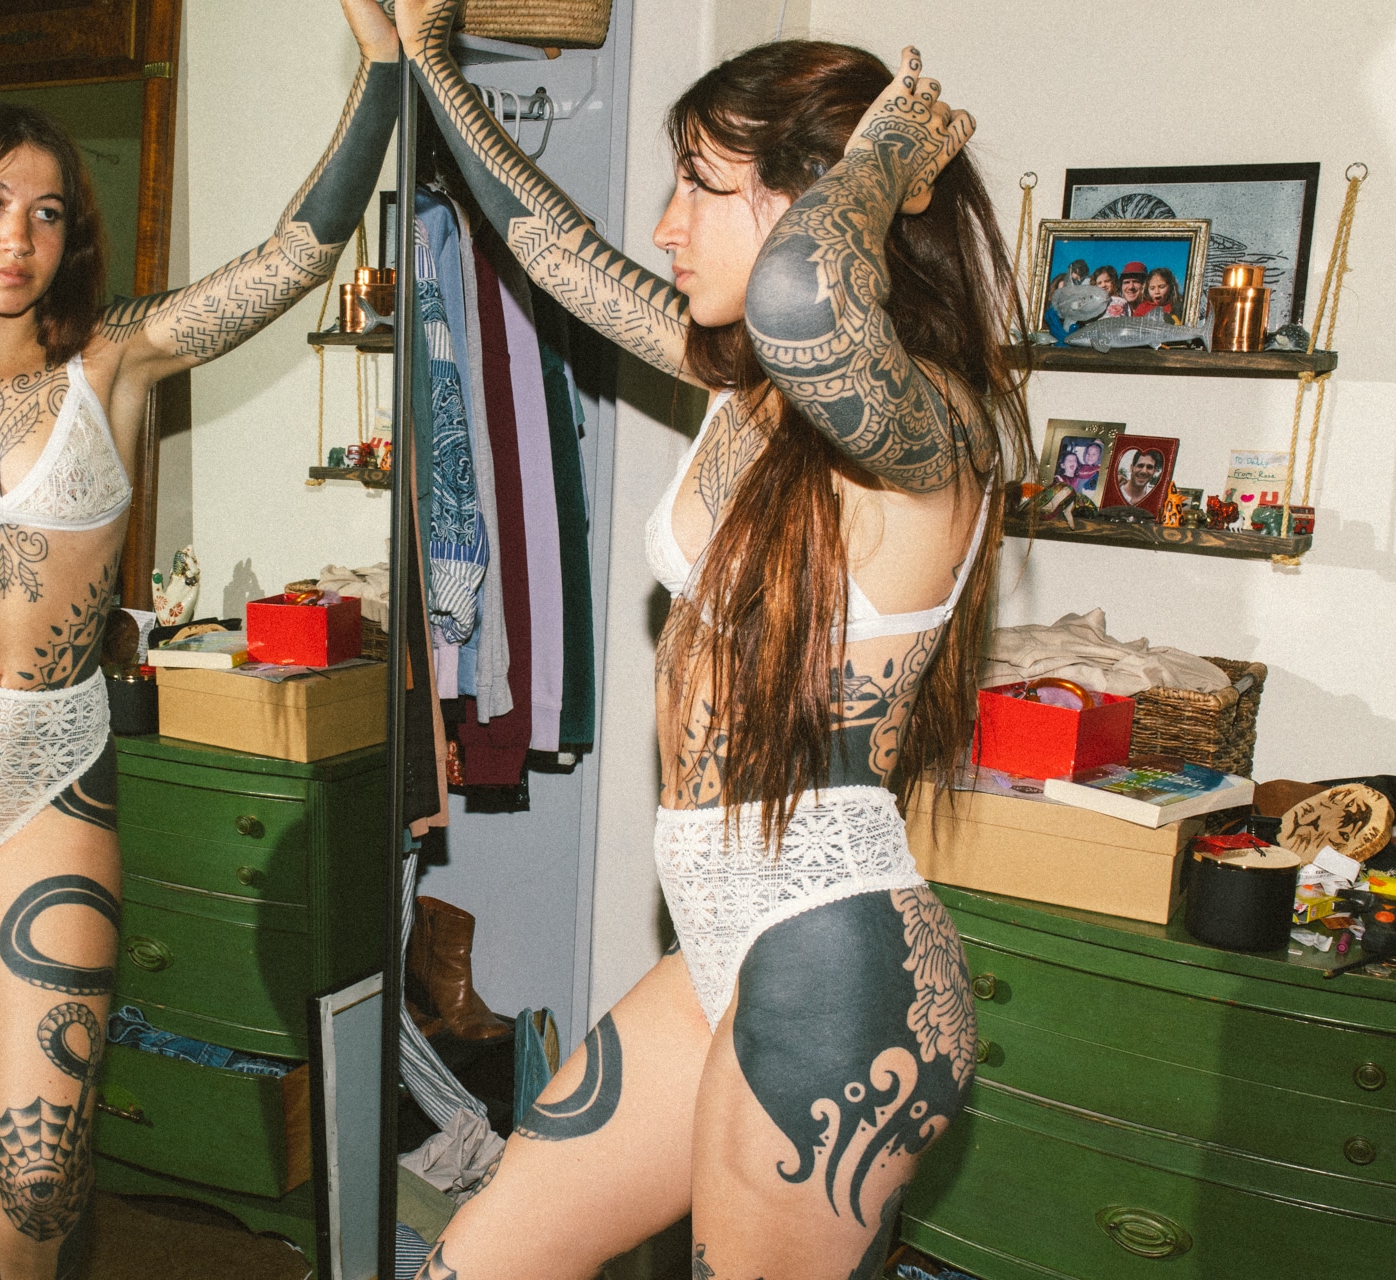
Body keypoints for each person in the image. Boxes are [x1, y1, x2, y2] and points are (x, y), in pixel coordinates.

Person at [392, 3, 1027, 1277]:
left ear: (817, 196)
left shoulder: (930, 426)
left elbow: (804, 300)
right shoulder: (749, 392)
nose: (667, 224)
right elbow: (555, 252)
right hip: (722, 944)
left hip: (837, 965)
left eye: (701, 184)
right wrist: (432, 62)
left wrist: (879, 162)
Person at [0, 5, 400, 1277]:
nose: (18, 237)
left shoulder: (114, 363)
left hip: (51, 768)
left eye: (47, 211)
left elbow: (299, 254)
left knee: (45, 1163)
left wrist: (386, 71)